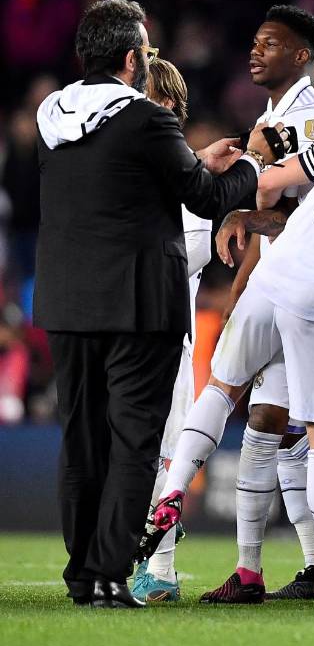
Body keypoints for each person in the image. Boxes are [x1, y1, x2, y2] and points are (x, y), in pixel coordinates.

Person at [141, 12, 314, 603]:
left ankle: (174, 491)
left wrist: (247, 180)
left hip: (279, 275)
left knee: (228, 394)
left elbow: (271, 186)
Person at [35, 0, 276, 608]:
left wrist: (192, 162)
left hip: (67, 303)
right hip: (139, 307)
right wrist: (252, 161)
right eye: (145, 51)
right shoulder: (146, 118)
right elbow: (206, 198)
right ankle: (110, 575)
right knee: (134, 445)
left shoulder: (50, 116)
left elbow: (119, 181)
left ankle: (81, 574)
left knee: (81, 441)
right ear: (130, 58)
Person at [130, 58, 214, 603]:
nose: (147, 108)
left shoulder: (191, 176)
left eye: (157, 100)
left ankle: (160, 569)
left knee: (166, 454)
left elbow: (192, 254)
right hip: (116, 335)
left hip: (165, 338)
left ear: (174, 111)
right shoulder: (116, 171)